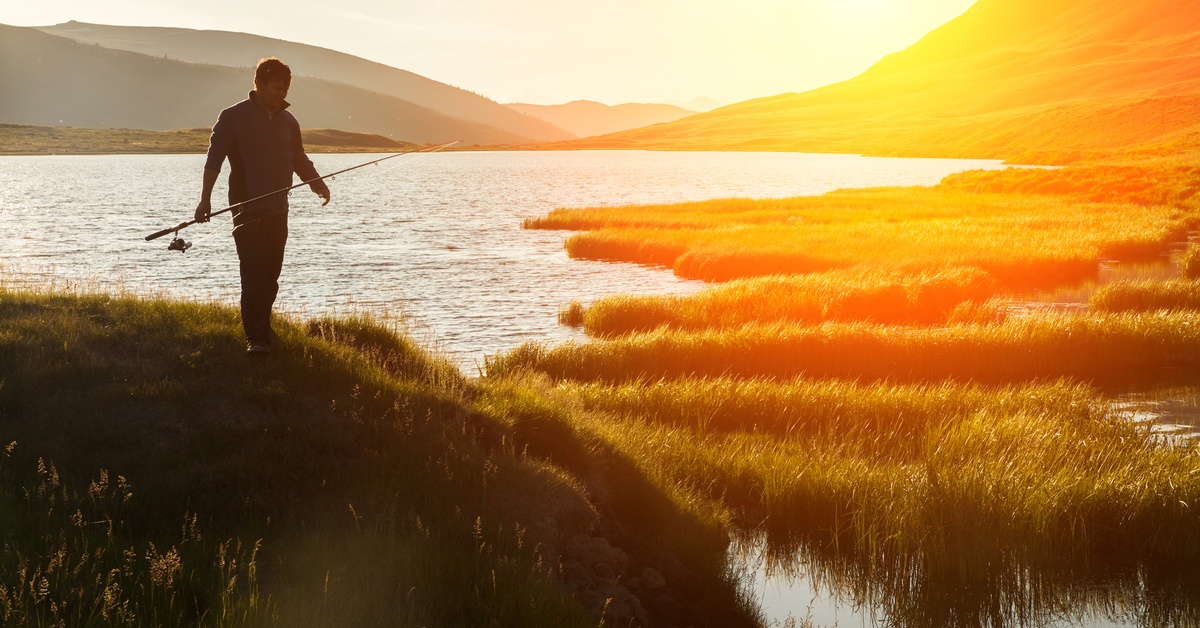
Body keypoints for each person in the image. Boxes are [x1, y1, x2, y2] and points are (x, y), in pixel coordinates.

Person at [194, 57, 330, 356]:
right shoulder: (233, 117)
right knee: (253, 272)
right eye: (276, 88)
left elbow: (299, 159)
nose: (281, 94)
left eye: (285, 88)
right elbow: (214, 159)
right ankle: (255, 338)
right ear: (259, 83)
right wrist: (205, 199)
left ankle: (263, 329)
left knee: (271, 275)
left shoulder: (289, 121)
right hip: (247, 208)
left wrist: (317, 184)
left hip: (279, 209)